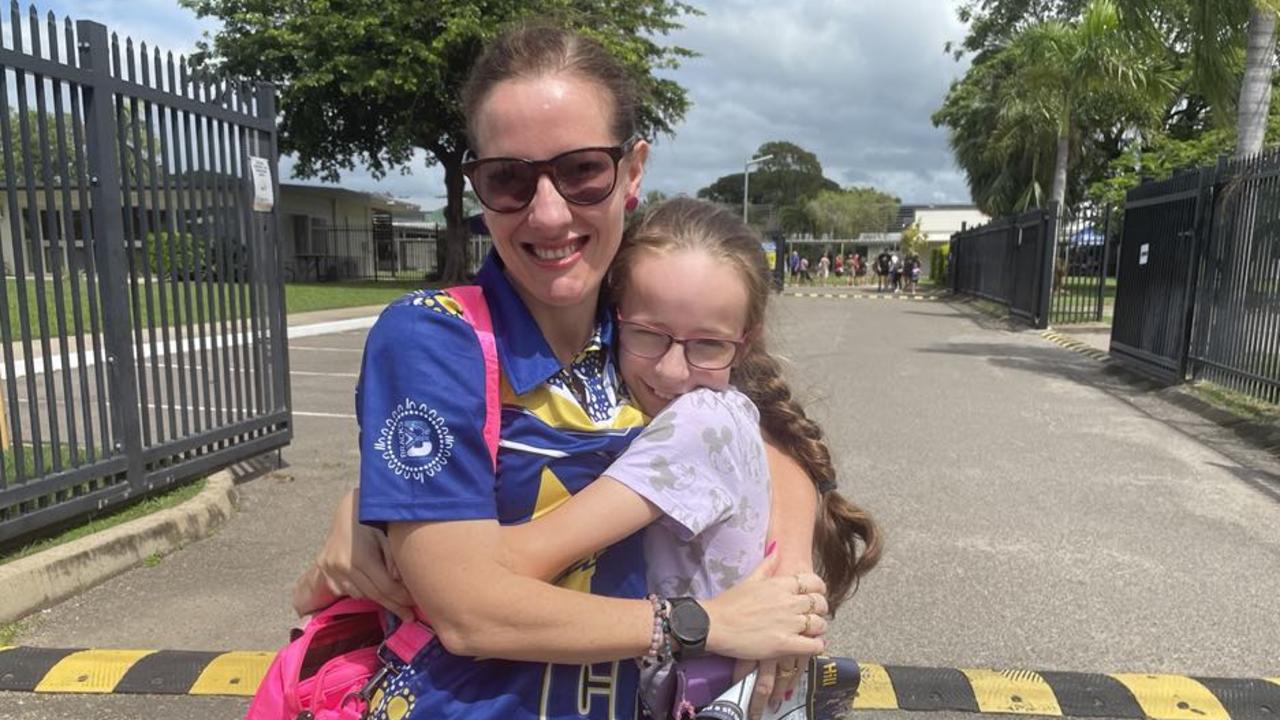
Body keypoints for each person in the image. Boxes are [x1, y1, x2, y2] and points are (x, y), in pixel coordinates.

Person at [293, 25, 850, 720]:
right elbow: (469, 614)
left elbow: (751, 426)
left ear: (632, 171)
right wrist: (699, 623)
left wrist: (790, 574)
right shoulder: (436, 336)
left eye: (582, 170)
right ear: (477, 185)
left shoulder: (643, 329)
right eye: (509, 179)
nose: (548, 211)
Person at [499, 199, 879, 718]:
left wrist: (401, 529)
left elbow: (511, 564)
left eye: (707, 345)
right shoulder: (710, 412)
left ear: (743, 347)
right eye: (649, 335)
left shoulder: (697, 422)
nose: (674, 371)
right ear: (614, 319)